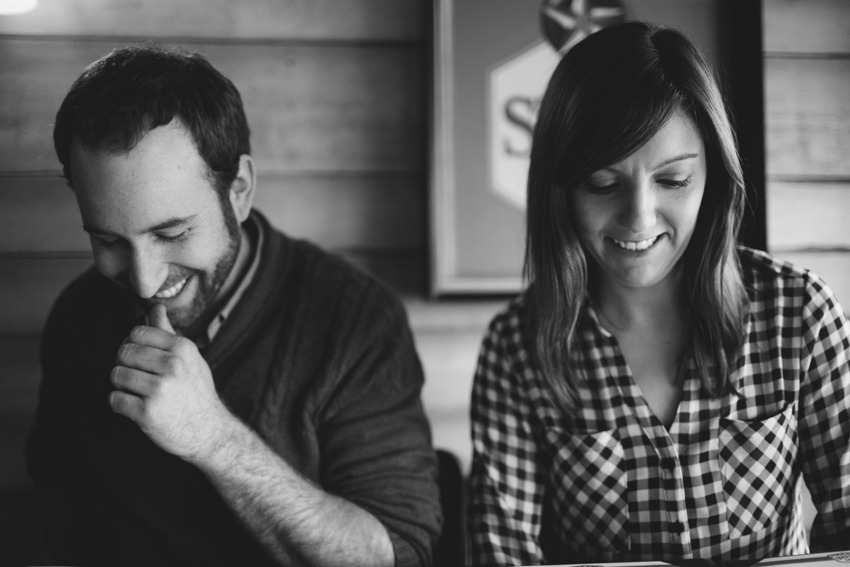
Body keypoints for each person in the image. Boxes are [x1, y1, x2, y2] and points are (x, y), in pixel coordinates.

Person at [25, 43, 441, 567]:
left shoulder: (354, 319)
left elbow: (396, 555)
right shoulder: (79, 314)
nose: (145, 280)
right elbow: (59, 502)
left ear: (239, 190)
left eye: (172, 233)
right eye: (109, 241)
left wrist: (212, 438)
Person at [468, 21, 850, 565]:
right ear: (561, 190)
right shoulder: (517, 349)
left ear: (712, 179)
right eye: (603, 184)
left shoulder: (799, 313)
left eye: (672, 181)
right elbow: (499, 553)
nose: (639, 218)